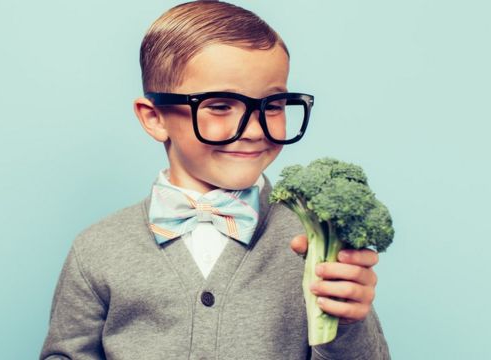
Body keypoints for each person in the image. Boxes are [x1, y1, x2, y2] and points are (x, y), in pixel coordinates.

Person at [40, 1, 389, 359]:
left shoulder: (316, 242)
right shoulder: (97, 249)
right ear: (154, 117)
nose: (254, 130)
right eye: (220, 106)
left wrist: (347, 323)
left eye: (272, 105)